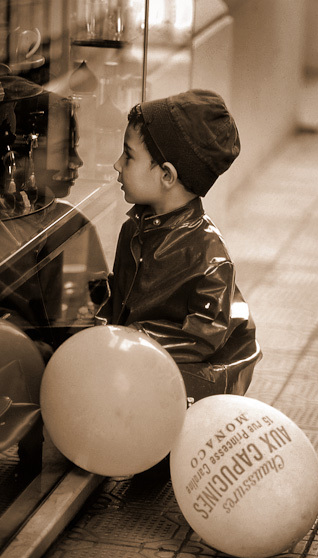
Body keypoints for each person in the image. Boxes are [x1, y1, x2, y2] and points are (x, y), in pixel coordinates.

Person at [95, 89, 262, 403]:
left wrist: (134, 339)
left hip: (184, 392)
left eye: (128, 155)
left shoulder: (209, 256)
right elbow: (119, 301)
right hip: (131, 372)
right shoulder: (133, 228)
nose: (117, 165)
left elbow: (204, 333)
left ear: (167, 175)